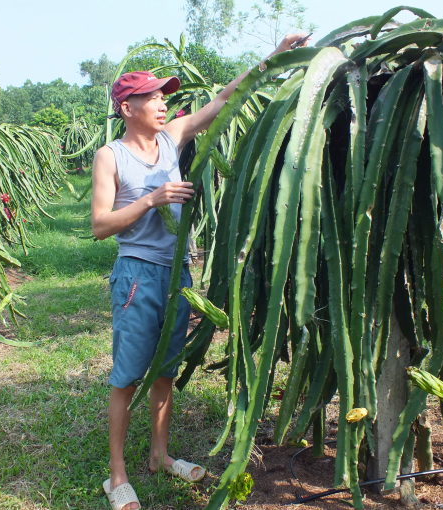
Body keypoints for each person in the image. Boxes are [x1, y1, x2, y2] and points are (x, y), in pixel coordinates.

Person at [91, 33, 310, 510]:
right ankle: (117, 474)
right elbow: (100, 226)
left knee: (166, 372)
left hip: (178, 279)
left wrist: (274, 57)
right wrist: (153, 198)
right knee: (127, 377)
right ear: (127, 107)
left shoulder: (171, 139)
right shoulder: (111, 156)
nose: (161, 103)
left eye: (162, 96)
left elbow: (223, 100)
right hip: (137, 275)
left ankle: (160, 455)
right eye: (151, 97)